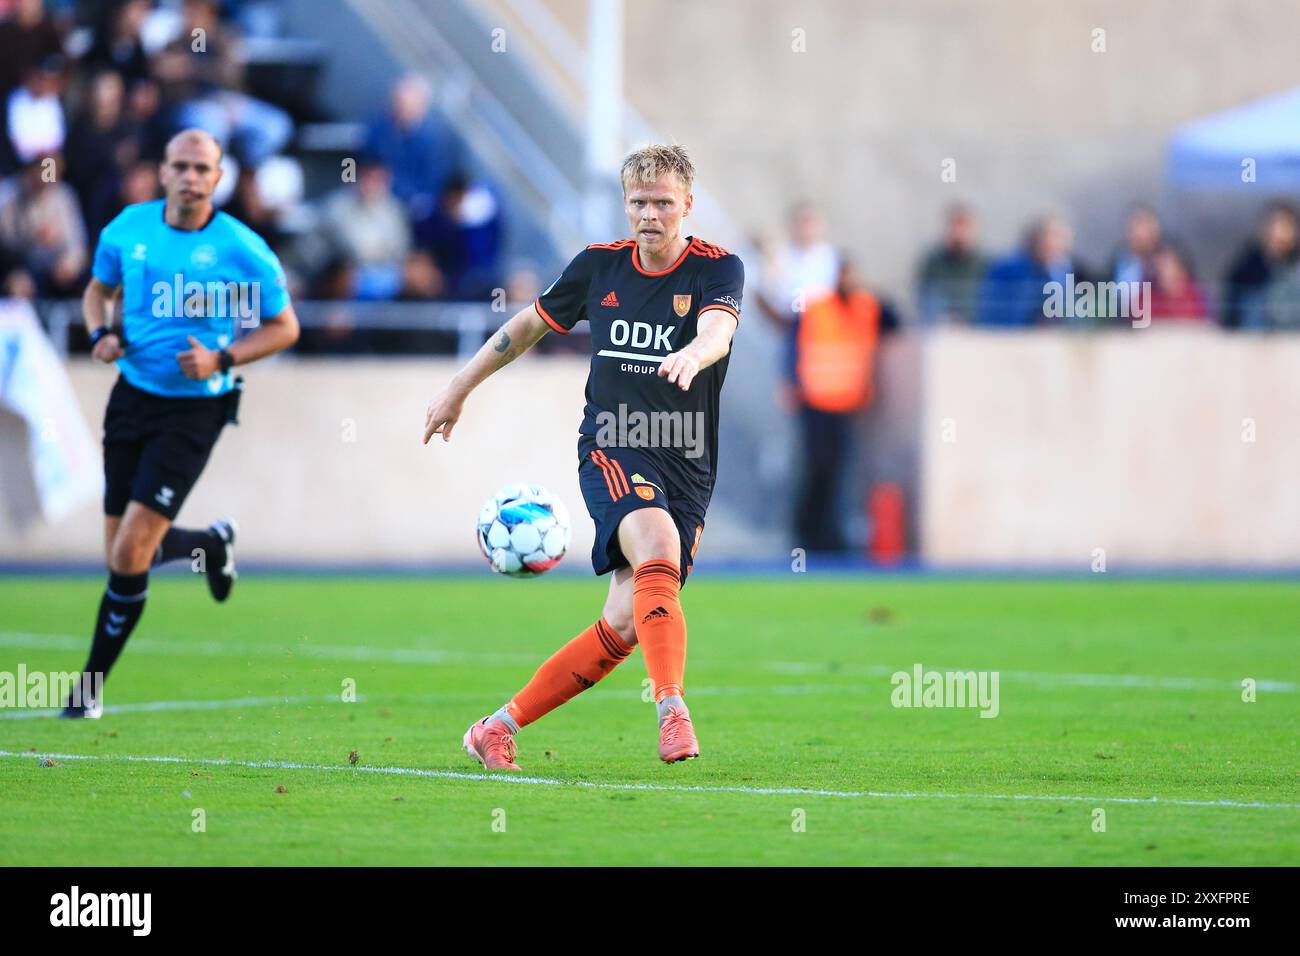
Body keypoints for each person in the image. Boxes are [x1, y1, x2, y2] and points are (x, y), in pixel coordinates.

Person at [422, 144, 743, 769]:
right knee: (657, 549)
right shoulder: (599, 267)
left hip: (689, 459)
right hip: (614, 441)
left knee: (626, 623)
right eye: (639, 202)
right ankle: (672, 707)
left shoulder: (716, 268)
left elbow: (718, 330)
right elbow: (527, 327)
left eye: (663, 203)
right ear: (626, 204)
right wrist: (458, 387)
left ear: (688, 206)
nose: (650, 214)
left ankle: (496, 727)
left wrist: (694, 355)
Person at [61, 129, 300, 718]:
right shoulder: (127, 230)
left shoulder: (243, 249)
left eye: (203, 169)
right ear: (162, 172)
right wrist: (101, 334)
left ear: (219, 179)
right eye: (181, 166)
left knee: (130, 550)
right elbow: (96, 293)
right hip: (132, 397)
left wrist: (222, 358)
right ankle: (211, 545)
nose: (191, 177)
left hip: (197, 408)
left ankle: (87, 692)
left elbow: (284, 327)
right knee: (120, 552)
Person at [788, 257, 881, 552]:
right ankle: (808, 532)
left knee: (838, 471)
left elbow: (893, 320)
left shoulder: (865, 307)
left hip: (847, 404)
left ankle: (830, 535)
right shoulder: (816, 308)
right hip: (815, 403)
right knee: (817, 468)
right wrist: (791, 382)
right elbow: (793, 343)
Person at [1222, 202, 1299, 329]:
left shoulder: (1295, 273)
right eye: (1275, 226)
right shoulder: (1245, 270)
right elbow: (1231, 314)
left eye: (1286, 227)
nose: (1279, 234)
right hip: (1250, 343)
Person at [916, 203, 985, 324]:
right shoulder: (933, 263)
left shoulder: (985, 264)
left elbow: (990, 302)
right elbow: (925, 298)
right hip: (942, 330)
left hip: (977, 331)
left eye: (964, 225)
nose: (959, 232)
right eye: (956, 225)